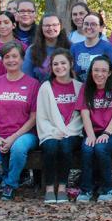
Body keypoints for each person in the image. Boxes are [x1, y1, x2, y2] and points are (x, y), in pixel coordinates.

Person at [0, 41, 40, 200]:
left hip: (25, 134)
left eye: (15, 56)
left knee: (18, 148)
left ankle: (10, 184)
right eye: (7, 57)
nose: (11, 60)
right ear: (2, 60)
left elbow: (33, 118)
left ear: (22, 59)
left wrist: (13, 138)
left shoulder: (33, 84)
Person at [76, 56, 112, 202]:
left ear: (110, 72)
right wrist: (91, 135)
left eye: (104, 71)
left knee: (100, 148)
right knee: (87, 148)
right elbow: (84, 113)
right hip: (93, 130)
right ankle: (86, 189)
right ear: (91, 71)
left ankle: (107, 188)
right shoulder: (86, 87)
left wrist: (106, 133)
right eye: (96, 70)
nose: (99, 74)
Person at [36, 49, 84, 203]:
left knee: (65, 146)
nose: (59, 67)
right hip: (50, 131)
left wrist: (66, 131)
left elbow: (81, 116)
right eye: (55, 64)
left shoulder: (79, 86)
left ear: (71, 64)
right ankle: (50, 188)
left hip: (73, 132)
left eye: (63, 63)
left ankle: (62, 187)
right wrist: (53, 131)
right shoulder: (46, 87)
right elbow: (41, 116)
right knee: (50, 147)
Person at [71, 13, 112, 81]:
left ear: (101, 28)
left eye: (93, 24)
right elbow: (72, 72)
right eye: (86, 24)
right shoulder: (74, 48)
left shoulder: (107, 47)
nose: (89, 27)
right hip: (80, 89)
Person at [24, 14, 71, 81]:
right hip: (39, 90)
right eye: (47, 25)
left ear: (60, 26)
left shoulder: (71, 47)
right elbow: (27, 77)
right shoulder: (32, 50)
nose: (51, 28)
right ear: (41, 28)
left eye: (54, 25)